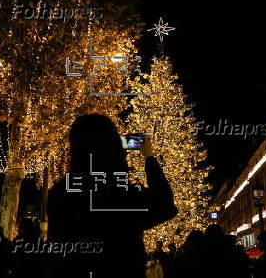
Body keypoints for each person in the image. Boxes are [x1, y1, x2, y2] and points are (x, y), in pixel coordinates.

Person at [48, 114, 177, 278]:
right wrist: (149, 158)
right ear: (114, 148)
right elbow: (165, 206)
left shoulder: (59, 193)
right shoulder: (123, 193)